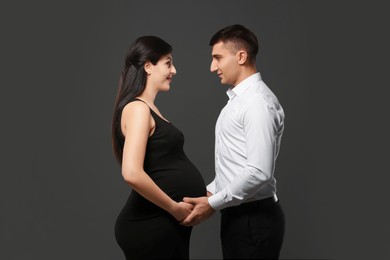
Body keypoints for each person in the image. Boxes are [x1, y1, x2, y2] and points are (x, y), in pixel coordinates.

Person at [182, 24, 286, 259]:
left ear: (241, 56)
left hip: (253, 221)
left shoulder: (256, 103)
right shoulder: (240, 101)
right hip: (239, 217)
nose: (212, 67)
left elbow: (259, 171)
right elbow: (237, 165)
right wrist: (210, 196)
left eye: (217, 58)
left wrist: (213, 203)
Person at [112, 36, 206, 260]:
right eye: (168, 63)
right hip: (150, 224)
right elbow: (131, 172)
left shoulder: (149, 109)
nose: (174, 70)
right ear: (148, 67)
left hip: (164, 224)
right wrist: (174, 208)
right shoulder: (138, 108)